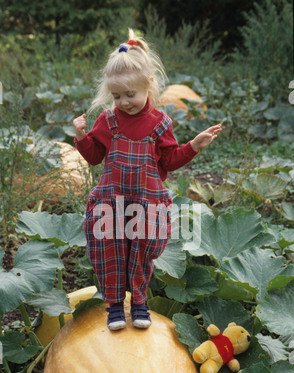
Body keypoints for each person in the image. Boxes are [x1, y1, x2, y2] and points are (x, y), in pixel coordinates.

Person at [73, 29, 222, 331]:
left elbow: (169, 161)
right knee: (110, 248)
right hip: (111, 200)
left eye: (130, 95)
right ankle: (115, 304)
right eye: (117, 96)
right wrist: (80, 136)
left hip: (147, 202)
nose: (124, 102)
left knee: (142, 250)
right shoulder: (108, 120)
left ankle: (139, 301)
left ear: (149, 86)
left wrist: (193, 146)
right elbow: (93, 156)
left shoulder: (160, 124)